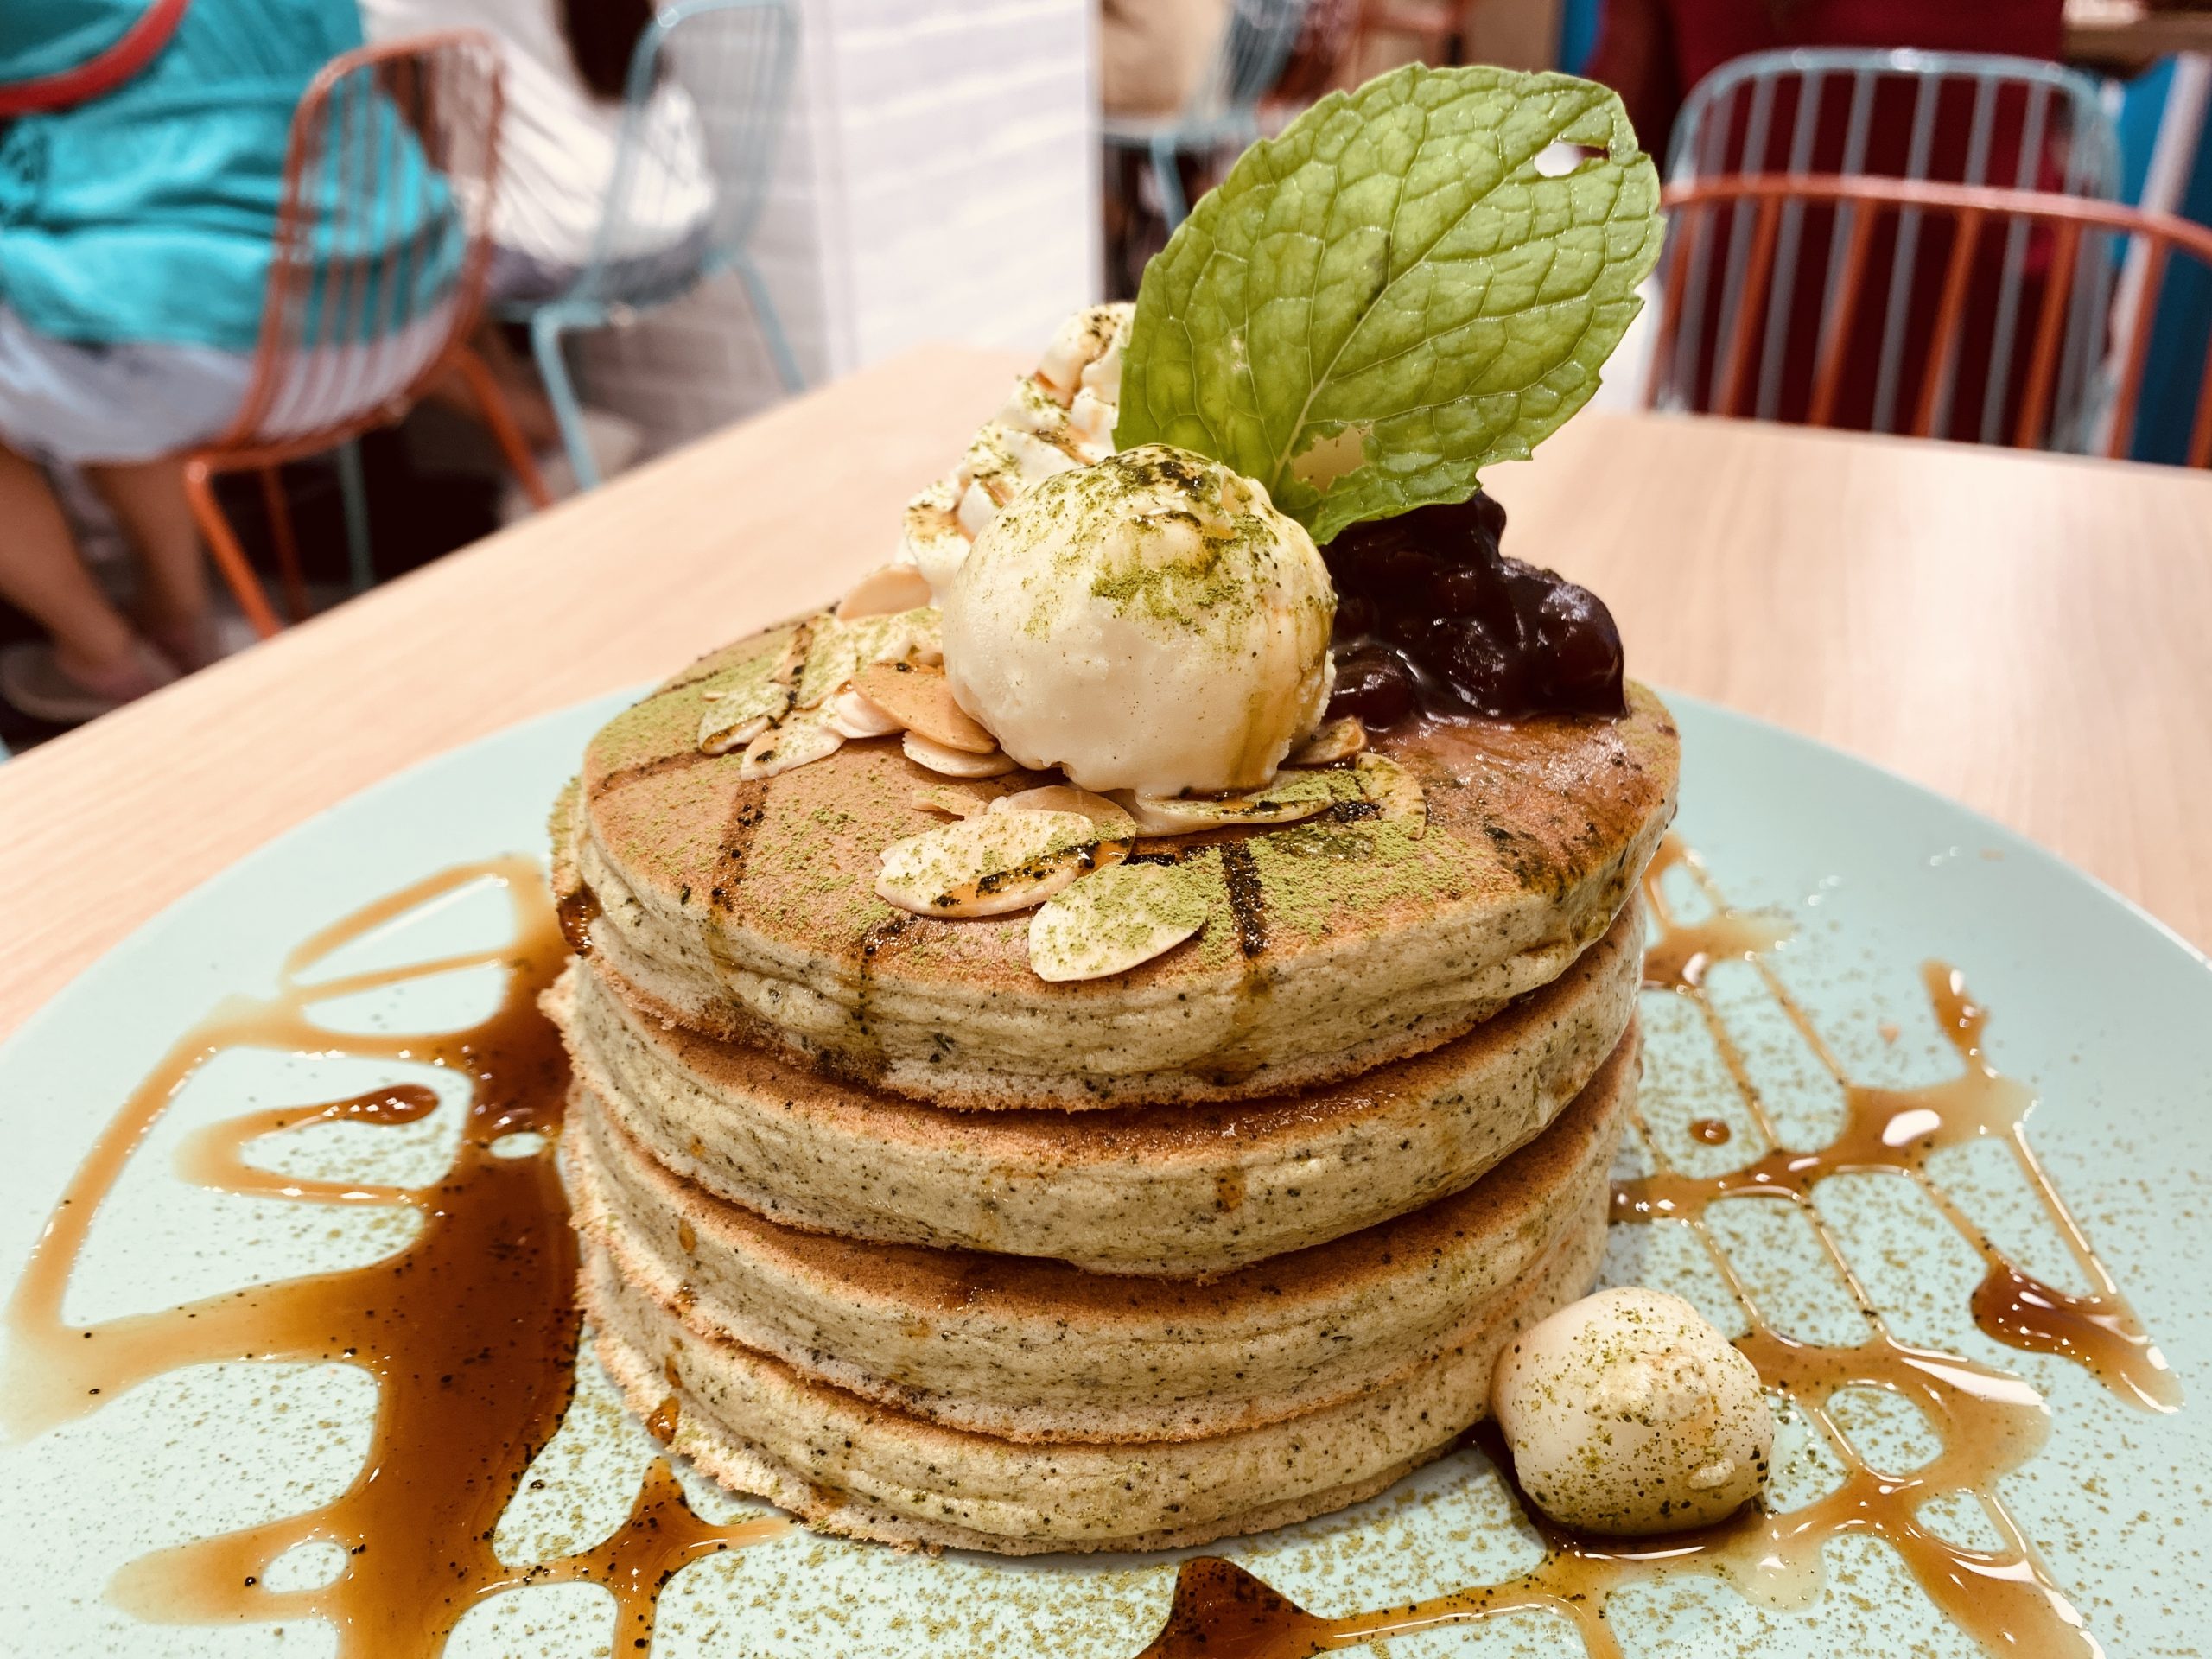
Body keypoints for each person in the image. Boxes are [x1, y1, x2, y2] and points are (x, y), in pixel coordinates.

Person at [0, 0, 372, 723]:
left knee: (88, 328)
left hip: (231, 336)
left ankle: (104, 656)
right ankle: (179, 622)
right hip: (390, 294)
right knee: (84, 330)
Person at [358, 0, 714, 307]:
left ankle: (498, 384)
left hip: (574, 254)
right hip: (684, 227)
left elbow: (345, 31)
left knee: (382, 253)